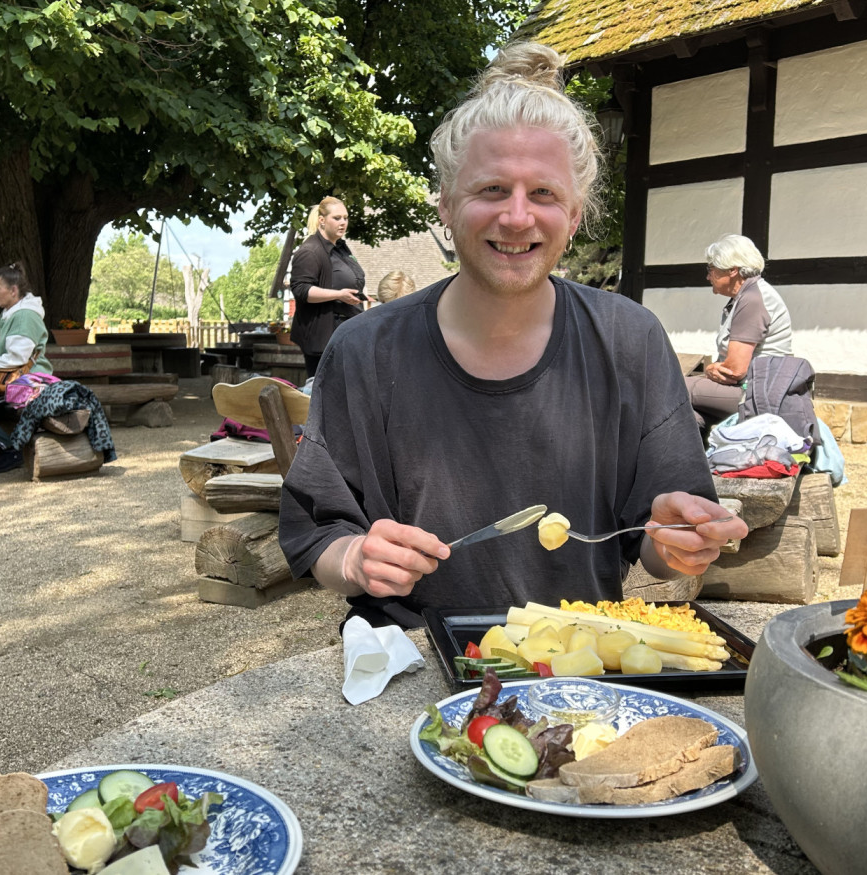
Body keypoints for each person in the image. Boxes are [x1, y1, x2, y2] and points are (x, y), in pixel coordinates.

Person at [278, 43, 747, 628]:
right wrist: (355, 559)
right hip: (413, 660)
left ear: (574, 215)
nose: (518, 217)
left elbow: (653, 546)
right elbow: (316, 533)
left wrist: (682, 540)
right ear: (447, 206)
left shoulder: (631, 340)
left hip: (581, 665)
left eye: (544, 194)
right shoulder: (366, 350)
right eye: (492, 190)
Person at [686, 234, 793, 429]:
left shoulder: (752, 299)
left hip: (756, 394)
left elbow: (734, 370)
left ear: (732, 270)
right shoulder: (748, 295)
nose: (708, 276)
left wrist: (710, 368)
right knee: (689, 417)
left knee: (670, 385)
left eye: (711, 269)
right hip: (750, 391)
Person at [0, 261, 54, 473]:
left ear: (13, 290)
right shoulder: (11, 313)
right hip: (15, 380)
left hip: (29, 382)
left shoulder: (24, 315)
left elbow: (16, 358)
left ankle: (11, 450)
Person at [288, 196, 366, 378]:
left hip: (346, 332)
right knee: (325, 394)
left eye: (346, 218)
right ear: (321, 220)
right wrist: (338, 294)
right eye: (337, 218)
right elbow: (301, 290)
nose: (343, 223)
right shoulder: (310, 251)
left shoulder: (340, 248)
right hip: (322, 338)